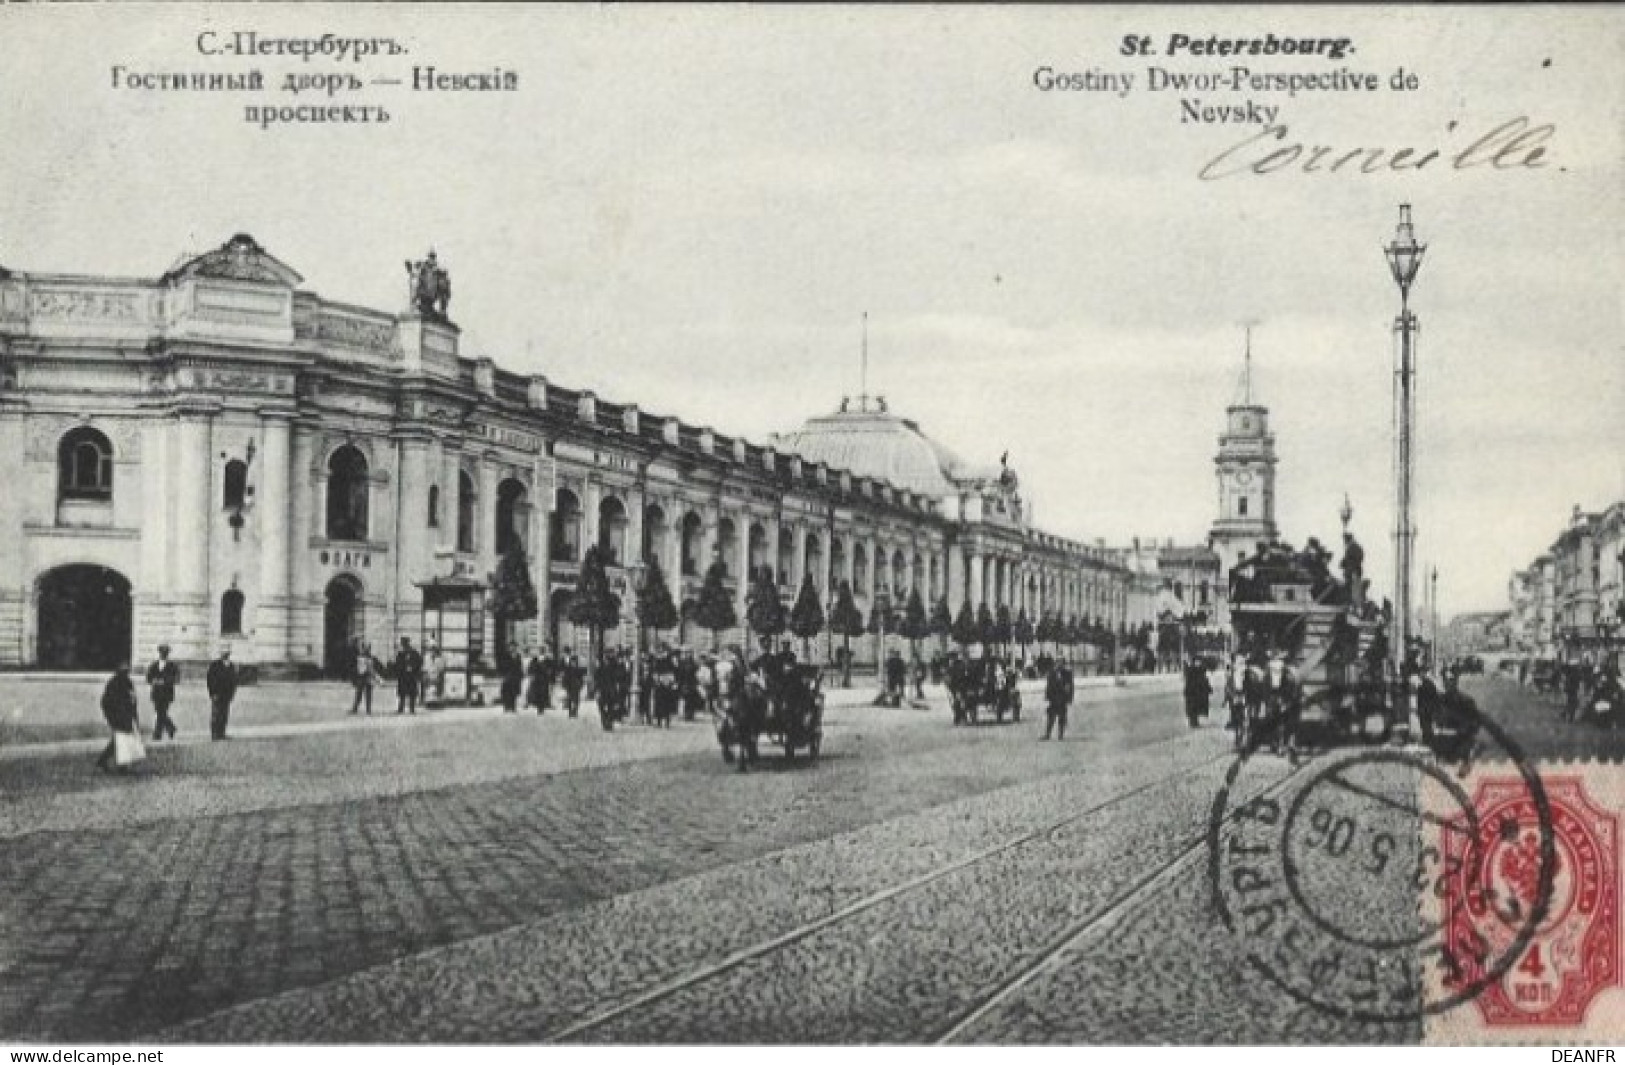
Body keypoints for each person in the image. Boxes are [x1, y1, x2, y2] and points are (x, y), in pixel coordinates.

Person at [95, 662, 142, 773]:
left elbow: (133, 699)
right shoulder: (113, 683)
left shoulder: (128, 682)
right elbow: (106, 701)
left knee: (121, 740)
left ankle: (105, 761)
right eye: (124, 671)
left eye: (127, 671)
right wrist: (112, 716)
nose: (126, 673)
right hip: (117, 716)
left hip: (126, 715)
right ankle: (121, 766)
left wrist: (134, 714)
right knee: (121, 739)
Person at [145, 643, 180, 741]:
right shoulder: (154, 665)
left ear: (168, 654)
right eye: (162, 652)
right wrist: (153, 681)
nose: (163, 654)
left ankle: (157, 734)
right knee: (160, 712)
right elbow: (148, 677)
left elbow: (176, 679)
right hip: (156, 693)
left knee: (161, 712)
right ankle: (171, 728)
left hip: (167, 693)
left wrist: (164, 681)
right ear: (159, 653)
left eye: (165, 653)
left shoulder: (172, 665)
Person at [206, 645, 239, 741]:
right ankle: (214, 734)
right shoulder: (215, 665)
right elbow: (210, 680)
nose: (225, 654)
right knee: (216, 713)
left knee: (224, 714)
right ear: (221, 654)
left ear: (229, 654)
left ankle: (222, 733)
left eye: (227, 653)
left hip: (227, 694)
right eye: (224, 653)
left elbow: (234, 681)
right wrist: (212, 693)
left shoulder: (231, 665)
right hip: (217, 693)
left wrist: (232, 694)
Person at [349, 639, 381, 716]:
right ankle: (357, 708)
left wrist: (377, 678)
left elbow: (372, 669)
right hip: (362, 677)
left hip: (367, 677)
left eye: (367, 648)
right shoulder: (361, 658)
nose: (365, 650)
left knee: (366, 694)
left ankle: (367, 709)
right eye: (364, 648)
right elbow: (356, 669)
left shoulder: (369, 658)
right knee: (360, 693)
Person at [394, 637, 423, 715]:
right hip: (404, 676)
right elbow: (397, 664)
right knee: (403, 693)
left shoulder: (413, 652)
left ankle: (411, 709)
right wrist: (402, 669)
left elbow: (419, 661)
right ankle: (402, 708)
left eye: (403, 643)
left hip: (410, 675)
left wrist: (413, 668)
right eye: (403, 643)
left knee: (411, 693)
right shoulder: (401, 653)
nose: (403, 645)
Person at [1183, 656, 1212, 728]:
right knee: (1192, 707)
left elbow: (1204, 678)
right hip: (1192, 691)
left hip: (1197, 691)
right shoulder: (1190, 670)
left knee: (1196, 707)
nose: (1198, 663)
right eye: (1197, 662)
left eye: (1199, 662)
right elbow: (1188, 676)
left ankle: (1195, 722)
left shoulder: (1200, 670)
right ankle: (1193, 722)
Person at [499, 648, 524, 713]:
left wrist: (521, 675)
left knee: (514, 693)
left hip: (516, 677)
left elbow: (520, 665)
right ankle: (506, 707)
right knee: (507, 692)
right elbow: (503, 665)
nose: (513, 649)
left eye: (514, 647)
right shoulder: (506, 656)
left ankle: (513, 707)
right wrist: (503, 675)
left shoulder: (518, 656)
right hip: (508, 676)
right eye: (511, 647)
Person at [561, 653, 586, 717]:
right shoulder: (567, 669)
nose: (573, 663)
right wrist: (564, 685)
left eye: (574, 662)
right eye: (572, 662)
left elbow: (581, 679)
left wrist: (580, 685)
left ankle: (575, 711)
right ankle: (570, 711)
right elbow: (565, 678)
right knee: (569, 699)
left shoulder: (579, 670)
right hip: (569, 686)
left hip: (576, 687)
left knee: (576, 700)